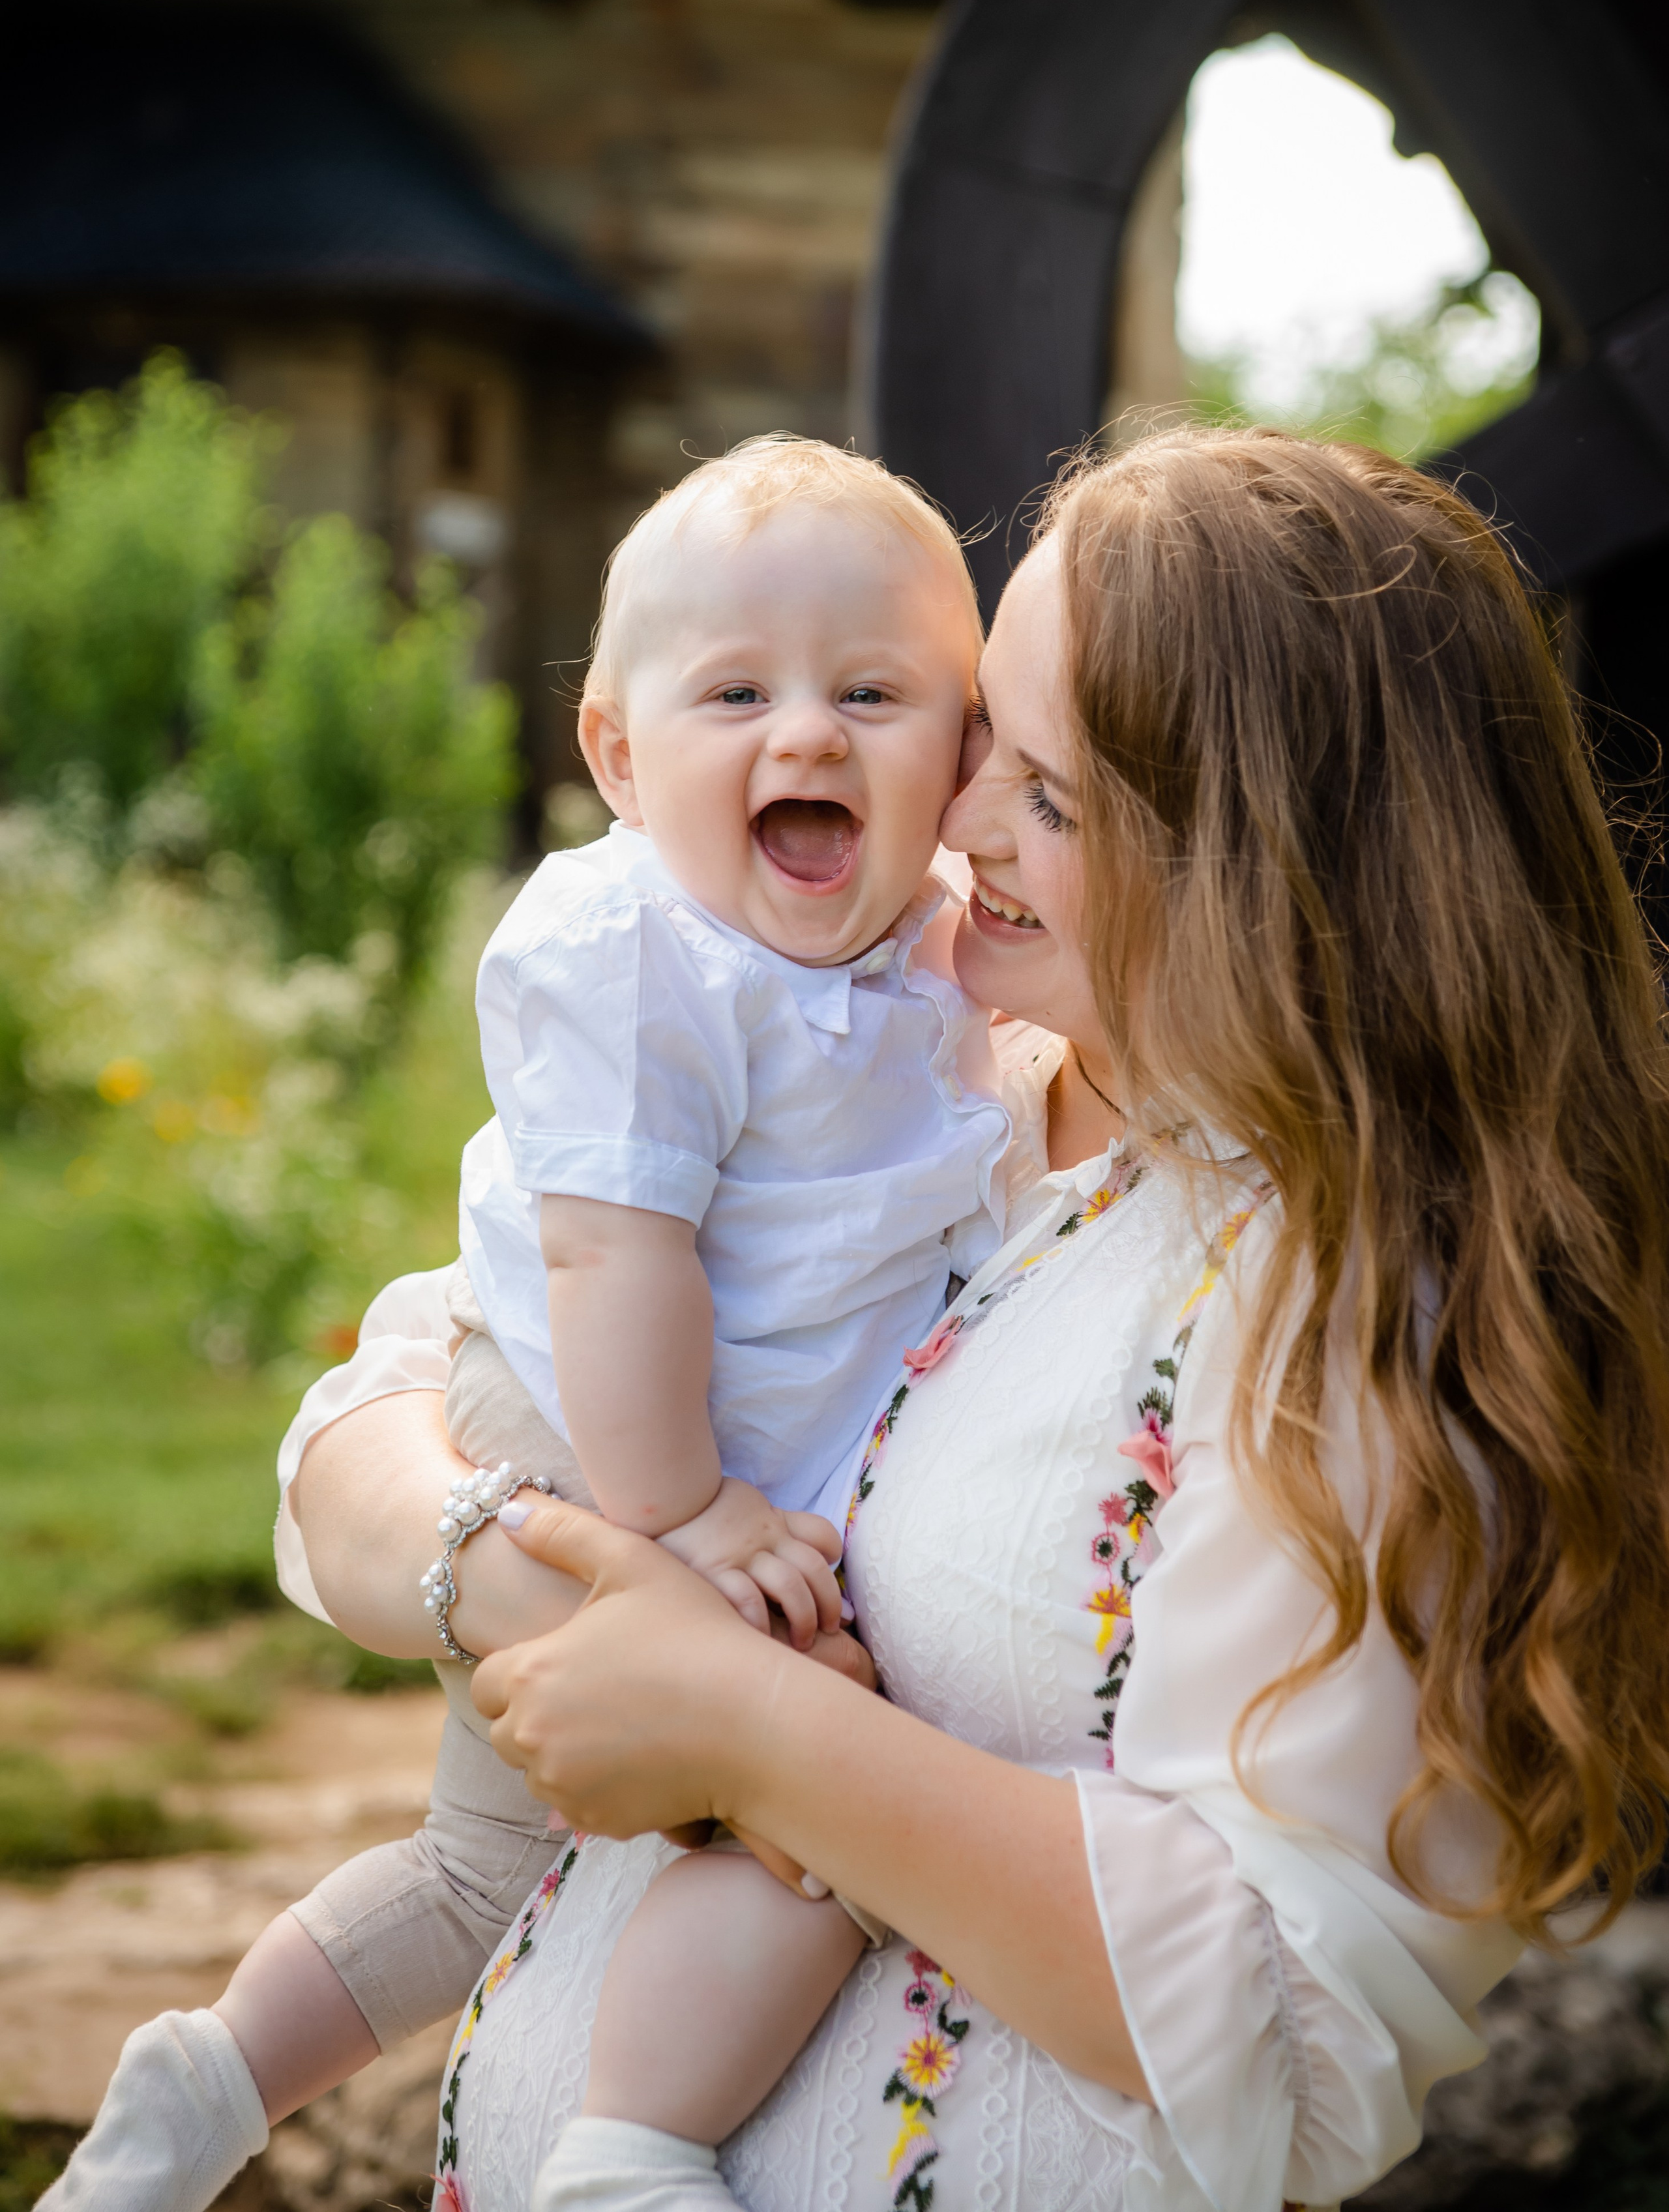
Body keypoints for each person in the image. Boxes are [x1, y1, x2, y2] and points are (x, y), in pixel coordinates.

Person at [298, 426, 1669, 2210]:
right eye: (975, 740)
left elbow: (1293, 2042)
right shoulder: (953, 1092)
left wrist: (743, 1728)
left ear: (1278, 871)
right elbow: (390, 1397)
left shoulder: (1384, 1316)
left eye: (1050, 793)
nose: (948, 820)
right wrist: (511, 1573)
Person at [40, 437, 1010, 2212]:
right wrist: (683, 1517)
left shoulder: (931, 945)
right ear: (621, 759)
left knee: (485, 1872)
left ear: (967, 753)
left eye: (874, 693)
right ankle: (629, 2151)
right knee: (813, 1801)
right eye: (737, 693)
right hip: (599, 1440)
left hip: (695, 1455)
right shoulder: (640, 951)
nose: (807, 735)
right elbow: (609, 1261)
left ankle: (208, 2080)